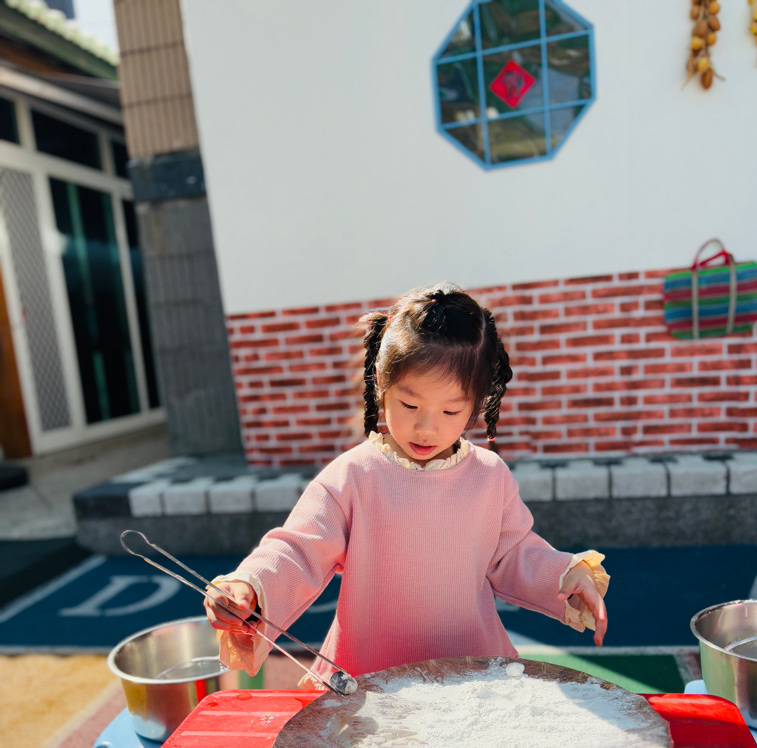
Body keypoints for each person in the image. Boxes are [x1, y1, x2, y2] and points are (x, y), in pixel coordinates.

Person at [204, 282, 608, 687]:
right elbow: (299, 549)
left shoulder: (489, 475)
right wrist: (250, 587)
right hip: (371, 674)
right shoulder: (354, 475)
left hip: (471, 672)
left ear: (477, 404)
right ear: (382, 382)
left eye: (450, 411)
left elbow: (515, 554)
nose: (426, 427)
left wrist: (565, 576)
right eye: (410, 405)